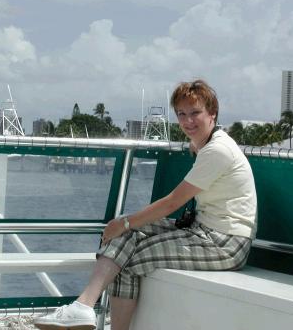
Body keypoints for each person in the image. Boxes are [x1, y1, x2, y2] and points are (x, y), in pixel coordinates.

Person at [34, 79, 257, 330]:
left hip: (225, 243)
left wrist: (124, 222)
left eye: (195, 113)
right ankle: (83, 306)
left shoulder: (217, 150)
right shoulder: (202, 144)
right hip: (204, 231)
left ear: (212, 114)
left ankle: (96, 315)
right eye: (181, 114)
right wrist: (125, 224)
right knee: (126, 232)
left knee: (128, 256)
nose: (187, 121)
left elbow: (173, 201)